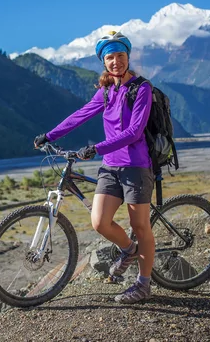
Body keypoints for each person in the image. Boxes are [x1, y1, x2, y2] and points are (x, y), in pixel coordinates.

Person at [34, 31, 155, 304]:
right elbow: (80, 115)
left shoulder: (141, 88)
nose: (116, 62)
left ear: (127, 57)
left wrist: (96, 148)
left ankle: (144, 284)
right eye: (110, 57)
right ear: (104, 62)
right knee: (99, 222)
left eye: (120, 56)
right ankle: (128, 250)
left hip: (136, 166)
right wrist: (50, 135)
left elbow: (135, 131)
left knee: (140, 224)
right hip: (111, 167)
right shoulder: (106, 91)